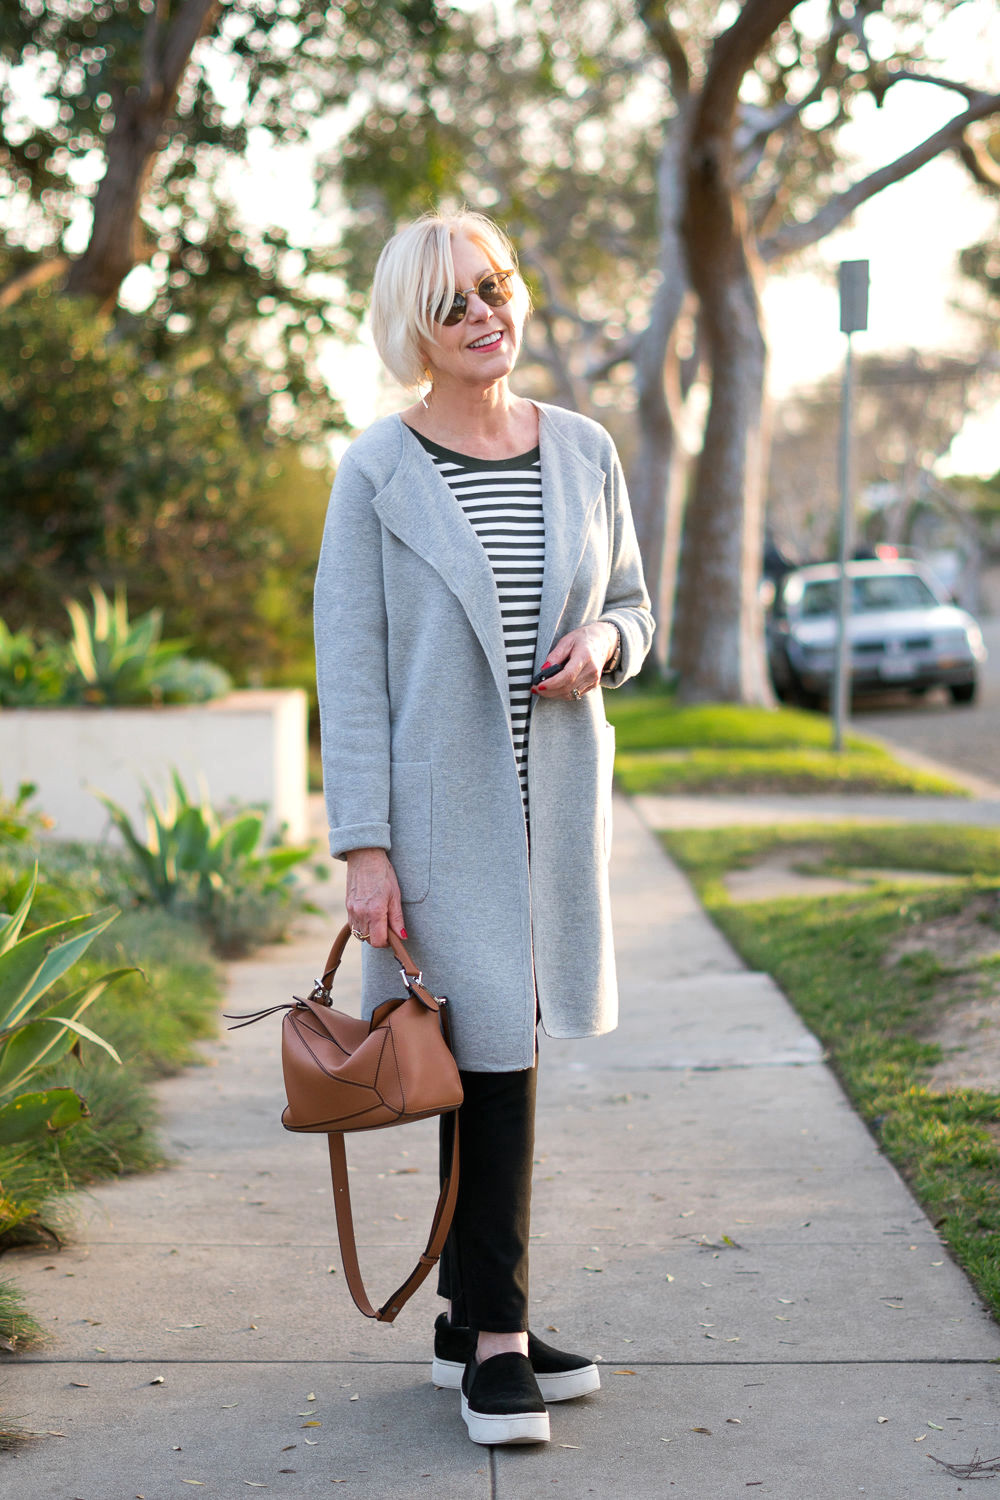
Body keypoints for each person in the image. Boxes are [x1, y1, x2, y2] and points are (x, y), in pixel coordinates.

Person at [313, 210, 654, 1447]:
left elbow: (632, 602)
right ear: (415, 325)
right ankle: (500, 1342)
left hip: (549, 810)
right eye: (453, 302)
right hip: (438, 818)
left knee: (495, 1052)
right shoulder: (377, 469)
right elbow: (348, 670)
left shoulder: (581, 449)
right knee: (494, 1061)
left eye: (495, 287)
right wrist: (364, 848)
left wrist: (607, 644)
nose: (483, 314)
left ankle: (467, 1319)